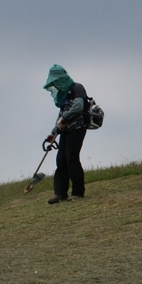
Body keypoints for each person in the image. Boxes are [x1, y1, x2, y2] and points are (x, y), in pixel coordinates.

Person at [42, 65, 90, 204]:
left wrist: (63, 119)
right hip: (65, 130)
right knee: (61, 160)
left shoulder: (77, 88)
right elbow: (61, 115)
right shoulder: (63, 95)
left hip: (78, 128)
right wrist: (53, 132)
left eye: (57, 81)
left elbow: (78, 106)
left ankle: (77, 192)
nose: (56, 84)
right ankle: (60, 193)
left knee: (72, 158)